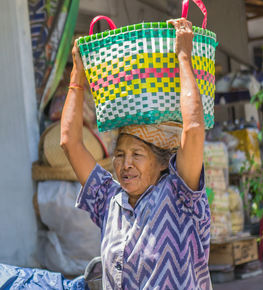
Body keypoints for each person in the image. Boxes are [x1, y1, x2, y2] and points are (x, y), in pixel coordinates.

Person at [60, 17, 212, 289]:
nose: (125, 164)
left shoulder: (180, 196)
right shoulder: (109, 200)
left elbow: (194, 128)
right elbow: (69, 143)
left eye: (137, 154)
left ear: (162, 162)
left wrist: (184, 57)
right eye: (119, 155)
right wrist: (77, 74)